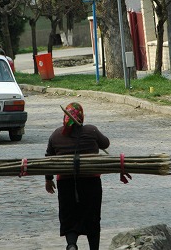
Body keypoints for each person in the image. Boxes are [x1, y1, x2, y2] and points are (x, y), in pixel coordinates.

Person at [45, 102, 110, 250]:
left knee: (69, 215)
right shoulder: (91, 131)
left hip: (65, 184)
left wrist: (48, 180)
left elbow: (48, 159)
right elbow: (105, 144)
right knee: (92, 216)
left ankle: (72, 245)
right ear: (81, 116)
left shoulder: (56, 135)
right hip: (91, 183)